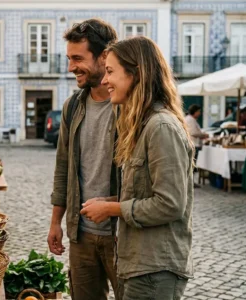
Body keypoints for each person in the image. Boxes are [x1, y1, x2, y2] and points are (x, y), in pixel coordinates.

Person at [81, 36, 194, 299]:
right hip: (140, 266)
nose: (104, 80)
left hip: (155, 270)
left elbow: (170, 204)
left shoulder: (161, 127)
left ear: (136, 73)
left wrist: (112, 208)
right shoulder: (143, 126)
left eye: (110, 71)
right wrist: (111, 201)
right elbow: (149, 193)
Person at [47, 19, 118, 300]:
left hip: (122, 234)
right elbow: (63, 165)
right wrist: (56, 222)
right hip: (82, 234)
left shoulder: (129, 104)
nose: (71, 67)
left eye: (78, 58)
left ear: (104, 56)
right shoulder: (73, 105)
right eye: (69, 58)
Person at [184, 104, 209, 187]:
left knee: (191, 164)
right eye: (198, 111)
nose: (199, 113)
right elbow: (193, 132)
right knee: (192, 164)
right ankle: (190, 183)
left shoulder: (190, 119)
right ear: (195, 112)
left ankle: (190, 182)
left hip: (192, 144)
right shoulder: (190, 120)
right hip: (193, 144)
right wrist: (203, 135)